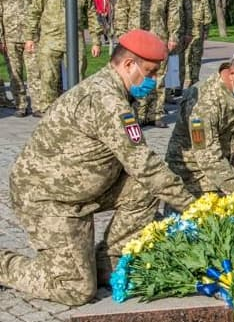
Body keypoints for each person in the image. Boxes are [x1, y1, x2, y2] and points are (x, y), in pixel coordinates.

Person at [1, 29, 195, 306]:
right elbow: (144, 164)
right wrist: (193, 207)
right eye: (150, 72)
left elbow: (143, 170)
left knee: (144, 189)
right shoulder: (105, 100)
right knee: (76, 289)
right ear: (128, 65)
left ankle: (108, 262)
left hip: (84, 192)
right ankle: (4, 265)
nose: (153, 81)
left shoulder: (119, 93)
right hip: (49, 200)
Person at [165, 41, 234, 197]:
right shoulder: (204, 101)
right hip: (192, 169)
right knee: (213, 211)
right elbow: (207, 158)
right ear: (233, 73)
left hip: (224, 159)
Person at [24, 0, 102, 114]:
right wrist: (30, 37)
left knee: (78, 78)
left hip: (75, 39)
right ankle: (48, 112)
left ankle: (77, 111)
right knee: (48, 79)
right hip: (50, 39)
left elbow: (92, 15)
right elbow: (34, 12)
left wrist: (96, 40)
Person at [114, 0, 181, 128]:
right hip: (135, 40)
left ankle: (156, 114)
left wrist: (173, 36)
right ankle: (138, 114)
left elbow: (173, 11)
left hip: (159, 37)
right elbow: (121, 10)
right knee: (136, 76)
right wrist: (121, 35)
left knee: (158, 77)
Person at [0, 0, 39, 116]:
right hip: (10, 38)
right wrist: (1, 39)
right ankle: (20, 105)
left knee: (34, 72)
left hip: (30, 37)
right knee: (15, 73)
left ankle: (37, 106)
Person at [183, 0, 212, 87]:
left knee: (196, 57)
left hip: (198, 33)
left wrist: (206, 31)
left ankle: (195, 79)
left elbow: (207, 17)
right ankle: (186, 78)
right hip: (186, 33)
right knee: (186, 57)